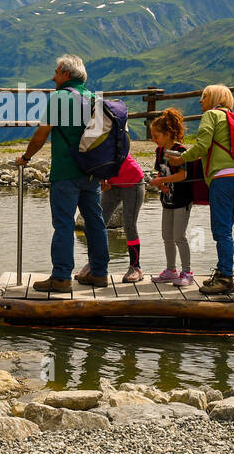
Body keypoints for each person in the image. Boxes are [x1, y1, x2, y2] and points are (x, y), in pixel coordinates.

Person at [15, 55, 109, 292]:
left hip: (65, 172)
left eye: (56, 72)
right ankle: (99, 273)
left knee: (64, 225)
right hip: (92, 172)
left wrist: (26, 158)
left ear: (67, 75)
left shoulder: (59, 98)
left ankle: (61, 277)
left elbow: (41, 134)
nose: (53, 76)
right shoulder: (93, 98)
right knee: (95, 223)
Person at [166, 85, 234, 295]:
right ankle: (224, 273)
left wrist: (180, 158)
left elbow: (202, 145)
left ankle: (224, 278)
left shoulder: (211, 115)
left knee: (221, 232)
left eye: (203, 97)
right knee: (226, 231)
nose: (200, 101)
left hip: (222, 179)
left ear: (214, 98)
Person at [147, 108, 198, 287]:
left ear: (168, 134)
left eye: (156, 136)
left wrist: (162, 180)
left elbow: (182, 176)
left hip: (182, 200)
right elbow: (161, 172)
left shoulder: (179, 151)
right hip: (167, 200)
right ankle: (171, 270)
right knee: (166, 236)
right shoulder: (159, 152)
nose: (154, 139)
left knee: (179, 236)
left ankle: (187, 272)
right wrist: (161, 185)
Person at [81, 151, 145, 282]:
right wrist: (100, 180)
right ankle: (93, 263)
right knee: (96, 223)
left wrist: (101, 178)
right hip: (113, 183)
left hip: (133, 181)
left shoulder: (111, 136)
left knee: (129, 225)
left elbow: (111, 159)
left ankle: (136, 268)